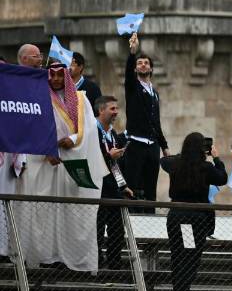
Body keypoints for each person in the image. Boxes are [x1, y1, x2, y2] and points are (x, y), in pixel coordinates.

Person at [11, 60, 109, 271]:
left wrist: (73, 140)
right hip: (45, 164)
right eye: (51, 75)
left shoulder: (82, 100)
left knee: (71, 211)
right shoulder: (38, 99)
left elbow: (91, 130)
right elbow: (30, 127)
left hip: (72, 163)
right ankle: (46, 258)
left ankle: (71, 260)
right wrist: (47, 148)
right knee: (45, 212)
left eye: (59, 75)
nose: (55, 79)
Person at [159, 133, 227, 291]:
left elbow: (163, 161)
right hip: (192, 221)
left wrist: (184, 155)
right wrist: (216, 157)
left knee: (178, 258)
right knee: (188, 260)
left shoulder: (176, 164)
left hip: (175, 218)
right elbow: (222, 178)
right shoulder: (205, 167)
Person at [124, 32, 168, 208]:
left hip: (152, 146)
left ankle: (150, 219)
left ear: (151, 68)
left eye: (146, 63)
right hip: (136, 143)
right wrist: (132, 53)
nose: (143, 65)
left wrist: (164, 146)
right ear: (135, 69)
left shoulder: (154, 93)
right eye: (139, 63)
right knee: (133, 186)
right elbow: (127, 74)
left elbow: (155, 121)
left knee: (151, 187)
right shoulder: (133, 87)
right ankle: (132, 220)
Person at [96, 95, 134, 269]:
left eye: (117, 109)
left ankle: (114, 262)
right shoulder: (91, 131)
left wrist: (123, 185)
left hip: (113, 188)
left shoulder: (112, 133)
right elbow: (90, 158)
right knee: (96, 228)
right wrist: (108, 156)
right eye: (112, 109)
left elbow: (114, 165)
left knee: (117, 228)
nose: (116, 112)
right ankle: (95, 261)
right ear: (101, 110)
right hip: (96, 188)